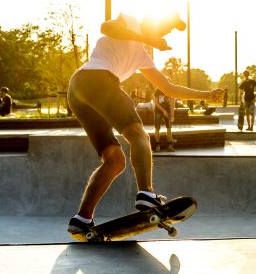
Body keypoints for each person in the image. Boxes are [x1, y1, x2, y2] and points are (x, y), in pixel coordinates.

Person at [66, 12, 224, 237]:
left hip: (79, 91)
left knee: (114, 161)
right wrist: (149, 39)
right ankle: (146, 194)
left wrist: (207, 95)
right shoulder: (129, 22)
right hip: (98, 79)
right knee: (139, 136)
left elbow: (168, 88)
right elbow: (106, 27)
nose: (164, 34)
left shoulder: (141, 55)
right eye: (165, 29)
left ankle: (82, 218)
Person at [153, 79, 176, 152]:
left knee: (169, 128)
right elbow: (156, 103)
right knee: (157, 128)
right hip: (158, 112)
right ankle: (157, 145)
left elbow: (172, 103)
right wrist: (163, 111)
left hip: (168, 112)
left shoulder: (171, 91)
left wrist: (172, 114)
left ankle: (169, 145)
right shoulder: (157, 90)